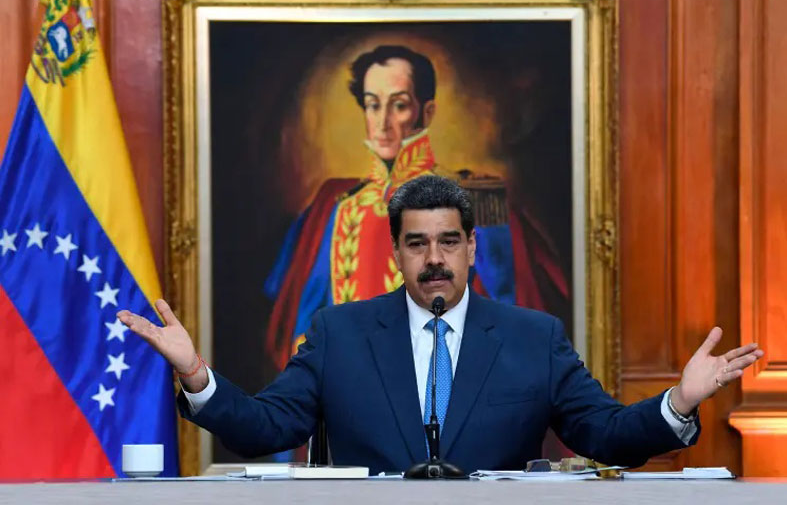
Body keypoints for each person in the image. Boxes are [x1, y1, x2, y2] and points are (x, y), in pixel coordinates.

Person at [119, 176, 763, 475]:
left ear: (472, 248)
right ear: (397, 254)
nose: (434, 259)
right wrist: (196, 374)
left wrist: (679, 402)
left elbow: (605, 435)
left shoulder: (533, 337)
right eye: (418, 244)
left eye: (449, 242)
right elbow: (266, 427)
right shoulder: (340, 333)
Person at [264, 45, 568, 373]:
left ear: (427, 112)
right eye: (372, 104)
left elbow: (504, 319)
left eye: (399, 105)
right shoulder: (338, 208)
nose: (382, 122)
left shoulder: (473, 199)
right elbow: (307, 331)